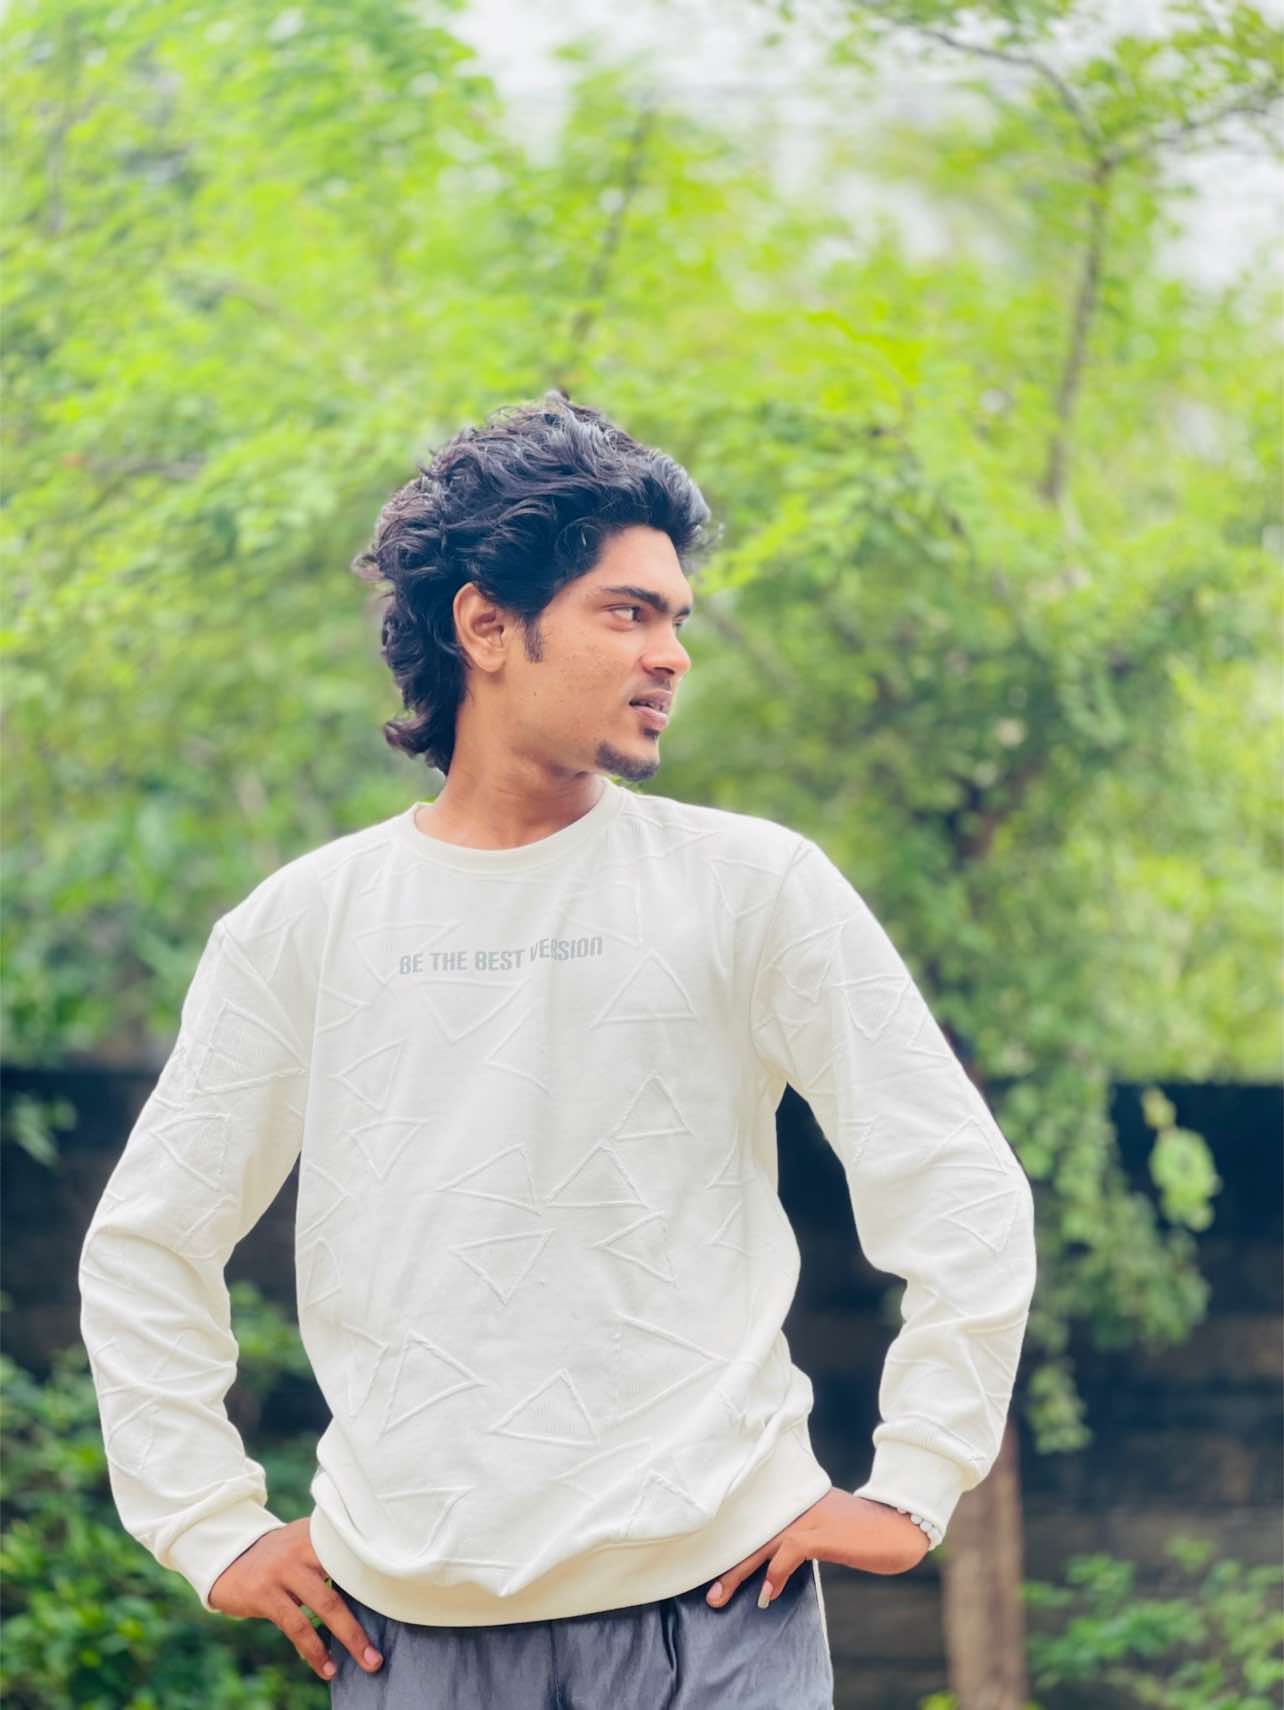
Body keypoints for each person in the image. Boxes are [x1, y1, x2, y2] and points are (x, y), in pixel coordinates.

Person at [79, 392, 1038, 1707]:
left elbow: (959, 1183)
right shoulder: (305, 925)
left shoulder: (754, 887)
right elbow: (149, 1241)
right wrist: (208, 1522)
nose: (671, 655)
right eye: (627, 612)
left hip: (718, 1610)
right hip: (410, 1629)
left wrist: (916, 1475)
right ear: (486, 625)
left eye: (677, 619)